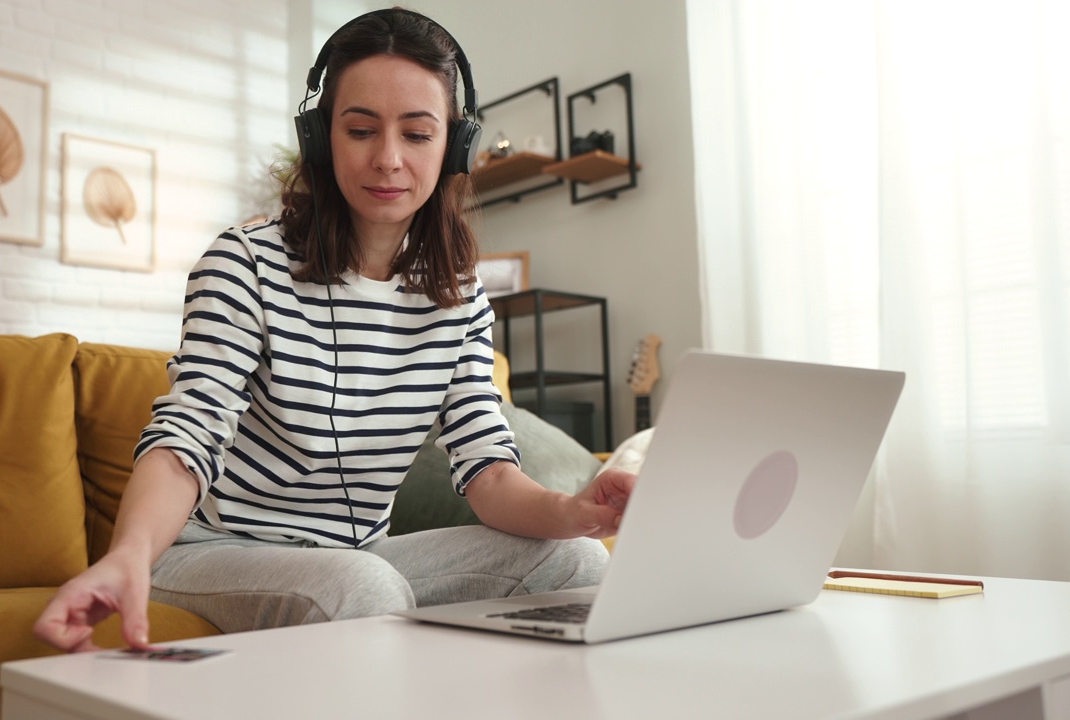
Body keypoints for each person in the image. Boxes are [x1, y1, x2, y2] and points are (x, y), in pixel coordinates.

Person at [34, 8, 636, 653]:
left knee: (578, 564)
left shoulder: (460, 296)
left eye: (416, 133)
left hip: (358, 553)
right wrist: (129, 551)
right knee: (363, 586)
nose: (387, 159)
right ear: (322, 138)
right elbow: (190, 431)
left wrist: (571, 513)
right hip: (215, 555)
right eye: (360, 130)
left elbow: (487, 471)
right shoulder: (246, 262)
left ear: (452, 146)